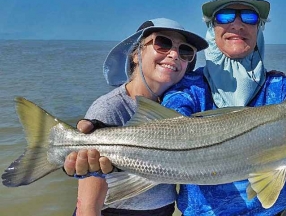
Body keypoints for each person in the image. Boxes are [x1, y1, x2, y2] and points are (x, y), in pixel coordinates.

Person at [65, 0, 286, 216]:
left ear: (259, 30)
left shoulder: (280, 87)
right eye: (225, 17)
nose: (237, 24)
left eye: (249, 18)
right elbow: (170, 124)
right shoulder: (189, 86)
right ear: (212, 29)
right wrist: (102, 134)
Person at [63, 17, 208, 216]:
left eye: (185, 52)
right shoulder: (109, 108)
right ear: (136, 55)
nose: (174, 54)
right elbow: (87, 206)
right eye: (163, 44)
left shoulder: (178, 107)